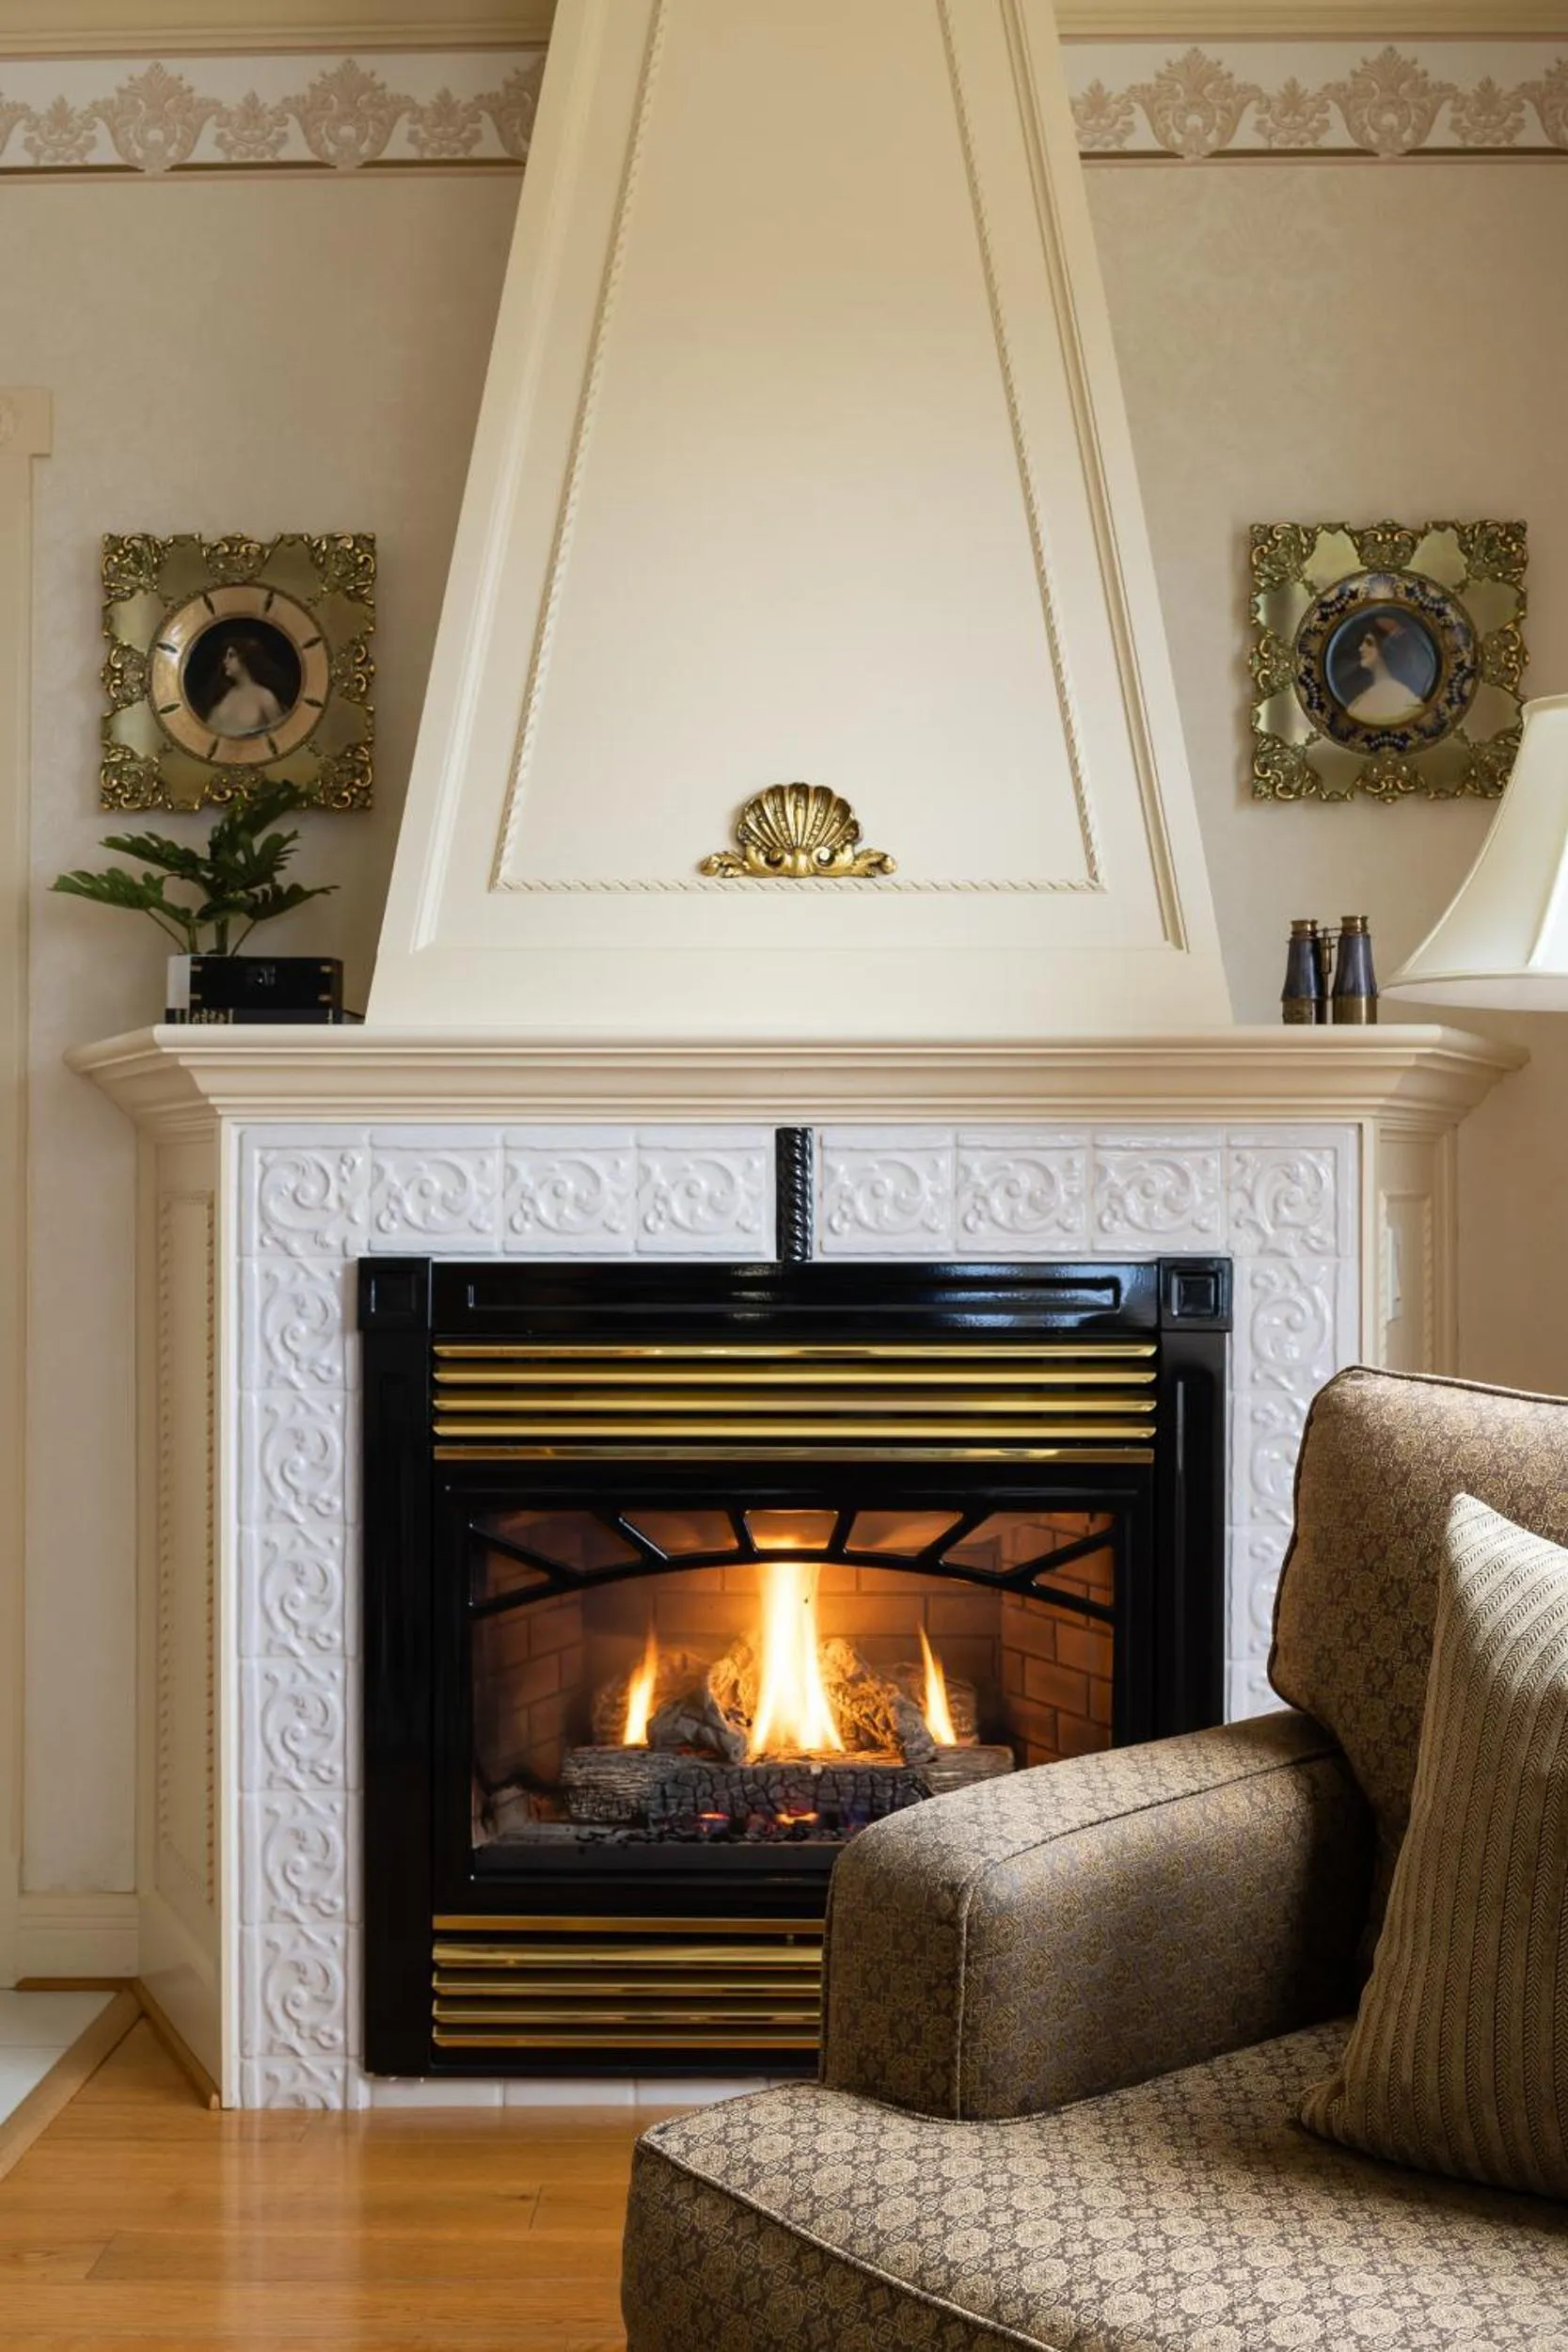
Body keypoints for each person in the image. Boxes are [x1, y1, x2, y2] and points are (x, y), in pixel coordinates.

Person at [1340, 613, 1432, 725]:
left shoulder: (1398, 695)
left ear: (1384, 649)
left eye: (1369, 643)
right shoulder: (1373, 692)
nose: (1361, 648)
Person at [198, 630, 292, 738]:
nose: (225, 661)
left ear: (245, 658)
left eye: (231, 655)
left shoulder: (265, 696)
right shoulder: (224, 696)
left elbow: (282, 738)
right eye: (226, 656)